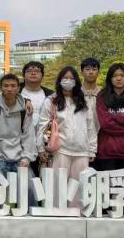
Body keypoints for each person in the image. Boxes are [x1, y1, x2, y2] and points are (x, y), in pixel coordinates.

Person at [36, 67, 95, 198]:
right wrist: (41, 148)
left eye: (71, 78)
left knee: (79, 192)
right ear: (59, 80)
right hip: (59, 150)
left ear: (76, 81)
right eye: (65, 78)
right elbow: (42, 125)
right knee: (57, 190)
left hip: (82, 150)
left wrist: (92, 149)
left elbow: (91, 126)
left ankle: (77, 211)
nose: (68, 81)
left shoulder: (84, 102)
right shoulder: (51, 101)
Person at [0, 73, 36, 181]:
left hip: (20, 157)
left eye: (13, 86)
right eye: (6, 86)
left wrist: (26, 158)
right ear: (1, 88)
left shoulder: (25, 109)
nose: (9, 89)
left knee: (29, 188)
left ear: (18, 88)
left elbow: (29, 135)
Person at [21, 61, 54, 172]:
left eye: (37, 71)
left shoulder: (51, 95)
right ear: (23, 75)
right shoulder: (16, 93)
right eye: (29, 71)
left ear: (42, 75)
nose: (33, 73)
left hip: (44, 141)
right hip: (21, 143)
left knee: (44, 176)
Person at [81, 57, 101, 134]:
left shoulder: (103, 94)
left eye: (94, 69)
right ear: (82, 72)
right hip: (79, 135)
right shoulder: (76, 93)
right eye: (87, 69)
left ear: (98, 72)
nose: (91, 72)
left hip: (100, 135)